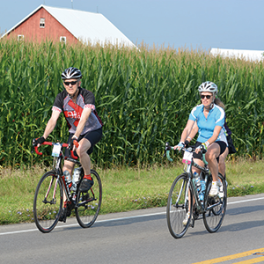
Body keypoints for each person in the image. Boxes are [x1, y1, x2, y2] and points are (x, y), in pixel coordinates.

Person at [34, 67, 103, 222]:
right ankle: (66, 204)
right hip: (74, 132)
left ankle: (87, 176)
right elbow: (53, 119)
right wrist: (43, 137)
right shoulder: (61, 98)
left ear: (79, 82)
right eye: (67, 83)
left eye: (73, 82)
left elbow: (84, 118)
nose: (70, 85)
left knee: (80, 149)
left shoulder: (87, 96)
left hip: (92, 130)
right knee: (66, 169)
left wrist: (76, 138)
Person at [174, 81, 227, 198]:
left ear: (213, 96)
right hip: (201, 141)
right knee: (193, 173)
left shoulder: (219, 112)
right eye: (202, 96)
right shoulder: (196, 110)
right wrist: (182, 142)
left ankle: (215, 183)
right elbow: (188, 128)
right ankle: (190, 212)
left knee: (210, 153)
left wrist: (205, 144)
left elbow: (216, 133)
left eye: (208, 96)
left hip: (216, 141)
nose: (205, 99)